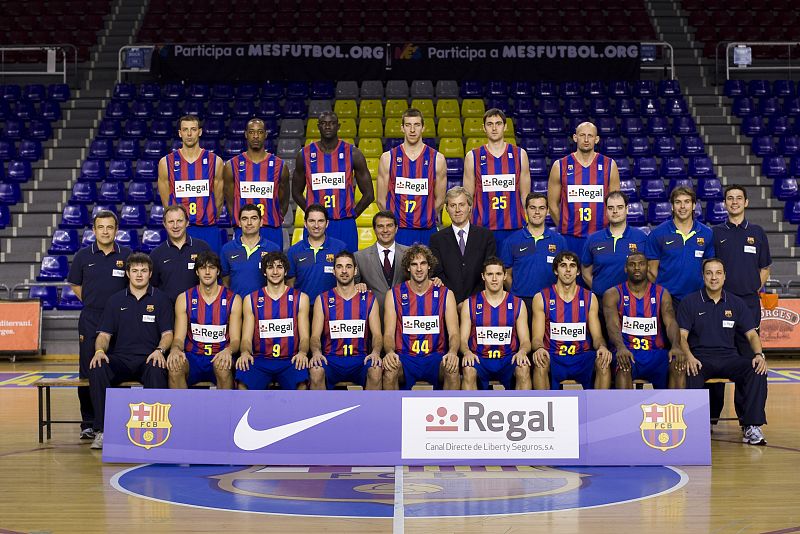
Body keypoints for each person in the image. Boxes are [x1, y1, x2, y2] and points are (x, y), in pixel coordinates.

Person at [679, 258, 769, 445]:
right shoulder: (690, 302)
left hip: (729, 358)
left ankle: (751, 425)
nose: (714, 278)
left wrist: (759, 355)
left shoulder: (736, 303)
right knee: (689, 370)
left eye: (718, 273)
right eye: (709, 273)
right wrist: (689, 357)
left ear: (725, 276)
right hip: (701, 359)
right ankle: (694, 426)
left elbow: (752, 335)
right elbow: (682, 336)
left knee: (757, 369)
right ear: (703, 276)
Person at [87, 253, 173, 449]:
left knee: (157, 368)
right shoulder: (115, 300)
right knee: (98, 367)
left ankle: (156, 431)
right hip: (121, 360)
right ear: (127, 273)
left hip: (149, 358)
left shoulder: (161, 299)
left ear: (150, 273)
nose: (139, 275)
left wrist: (160, 350)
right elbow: (104, 335)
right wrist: (99, 351)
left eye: (143, 271)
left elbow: (168, 334)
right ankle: (102, 431)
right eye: (135, 271)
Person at [66, 210, 132, 441]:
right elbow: (75, 284)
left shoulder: (127, 254)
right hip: (91, 319)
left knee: (119, 368)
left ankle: (118, 420)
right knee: (88, 370)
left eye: (110, 227)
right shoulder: (83, 256)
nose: (105, 231)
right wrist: (92, 301)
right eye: (101, 227)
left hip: (121, 320)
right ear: (93, 230)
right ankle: (89, 422)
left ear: (116, 230)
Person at [710, 184, 772, 423]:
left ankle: (749, 422)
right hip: (718, 305)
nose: (734, 202)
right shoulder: (716, 233)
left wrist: (751, 288)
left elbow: (764, 268)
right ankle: (711, 418)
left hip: (748, 306)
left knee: (749, 361)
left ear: (746, 202)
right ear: (725, 203)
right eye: (730, 198)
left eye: (738, 198)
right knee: (715, 357)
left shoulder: (757, 232)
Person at [292, 111, 374, 252]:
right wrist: (312, 213)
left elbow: (369, 194)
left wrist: (352, 215)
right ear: (318, 126)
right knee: (314, 263)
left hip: (344, 223)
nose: (328, 126)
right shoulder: (304, 154)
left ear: (338, 126)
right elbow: (295, 192)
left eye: (332, 123)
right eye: (324, 123)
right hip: (316, 225)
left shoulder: (353, 153)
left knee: (347, 264)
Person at [530, 251, 612, 390]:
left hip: (582, 357)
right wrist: (539, 348)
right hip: (554, 356)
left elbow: (597, 337)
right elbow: (537, 339)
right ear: (556, 270)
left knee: (603, 361)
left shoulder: (589, 298)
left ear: (578, 271)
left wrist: (602, 347)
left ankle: (600, 404)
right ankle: (545, 403)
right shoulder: (541, 298)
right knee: (540, 361)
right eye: (563, 265)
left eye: (572, 266)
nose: (568, 270)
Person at [382, 245, 460, 390]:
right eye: (414, 264)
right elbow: (388, 334)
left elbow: (454, 333)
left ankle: (448, 406)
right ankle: (391, 406)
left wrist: (453, 352)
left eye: (423, 263)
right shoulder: (393, 294)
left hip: (435, 357)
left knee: (452, 369)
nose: (419, 269)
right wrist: (390, 352)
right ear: (408, 268)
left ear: (429, 266)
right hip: (405, 357)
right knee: (389, 370)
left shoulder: (446, 294)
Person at [603, 252, 685, 389]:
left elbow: (670, 322)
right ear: (625, 269)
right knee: (623, 364)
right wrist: (620, 347)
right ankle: (625, 404)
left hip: (655, 353)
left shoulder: (661, 293)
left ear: (648, 267)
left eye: (641, 264)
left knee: (678, 363)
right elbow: (612, 325)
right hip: (628, 351)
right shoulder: (613, 294)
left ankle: (674, 404)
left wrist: (676, 346)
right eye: (632, 264)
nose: (637, 268)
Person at [309, 251, 383, 390]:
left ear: (355, 270)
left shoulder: (368, 299)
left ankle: (371, 406)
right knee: (316, 369)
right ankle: (321, 406)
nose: (344, 271)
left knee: (376, 369)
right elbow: (315, 337)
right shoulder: (322, 299)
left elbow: (377, 335)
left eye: (348, 266)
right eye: (339, 267)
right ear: (334, 271)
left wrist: (376, 352)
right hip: (331, 359)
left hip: (360, 359)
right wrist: (316, 352)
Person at [236, 252, 310, 390]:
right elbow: (246, 339)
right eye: (270, 267)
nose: (275, 272)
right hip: (260, 359)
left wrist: (303, 352)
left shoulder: (301, 298)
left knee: (302, 384)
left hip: (290, 359)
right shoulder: (250, 299)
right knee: (242, 382)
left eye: (279, 267)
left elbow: (305, 338)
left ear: (286, 271)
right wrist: (245, 352)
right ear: (264, 272)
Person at [168, 251, 241, 389]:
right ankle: (181, 404)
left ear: (218, 271)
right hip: (193, 357)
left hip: (220, 355)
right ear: (197, 272)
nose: (207, 272)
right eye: (202, 268)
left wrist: (228, 351)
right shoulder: (184, 298)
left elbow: (236, 340)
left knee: (223, 366)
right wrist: (176, 349)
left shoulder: (233, 299)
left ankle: (225, 405)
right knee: (175, 366)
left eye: (212, 268)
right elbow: (178, 338)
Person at [463, 108, 531, 253]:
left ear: (505, 127)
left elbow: (525, 196)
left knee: (514, 267)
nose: (494, 128)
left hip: (515, 227)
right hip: (483, 228)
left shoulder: (520, 154)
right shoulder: (472, 156)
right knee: (484, 267)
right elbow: (468, 198)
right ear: (484, 128)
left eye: (498, 123)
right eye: (490, 124)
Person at [547, 121, 620, 254]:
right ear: (575, 137)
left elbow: (615, 203)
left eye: (590, 136)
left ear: (596, 139)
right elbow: (552, 204)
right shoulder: (560, 165)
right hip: (569, 236)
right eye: (582, 135)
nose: (586, 140)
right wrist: (564, 226)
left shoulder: (609, 165)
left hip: (601, 235)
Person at [377, 108, 447, 246]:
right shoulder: (388, 158)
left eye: (417, 125)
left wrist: (424, 218)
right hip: (398, 231)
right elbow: (380, 200)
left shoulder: (437, 159)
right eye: (408, 125)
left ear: (423, 128)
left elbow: (440, 200)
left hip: (426, 230)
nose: (412, 130)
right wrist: (393, 223)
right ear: (402, 128)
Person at [157, 115, 225, 255]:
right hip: (180, 230)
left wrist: (208, 217)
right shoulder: (166, 162)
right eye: (185, 130)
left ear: (199, 132)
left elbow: (219, 200)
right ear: (179, 133)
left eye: (193, 129)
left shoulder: (215, 161)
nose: (189, 134)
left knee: (211, 267)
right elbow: (167, 203)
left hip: (208, 228)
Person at [460, 257, 532, 390]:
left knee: (524, 367)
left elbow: (526, 341)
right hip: (480, 359)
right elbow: (463, 340)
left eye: (498, 274)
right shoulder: (469, 303)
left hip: (508, 359)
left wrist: (522, 351)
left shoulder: (518, 303)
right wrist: (467, 352)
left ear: (505, 276)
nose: (494, 279)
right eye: (490, 274)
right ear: (483, 276)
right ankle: (471, 404)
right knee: (468, 368)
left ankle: (522, 404)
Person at [224, 117, 290, 248]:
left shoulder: (279, 166)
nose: (255, 136)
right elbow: (230, 201)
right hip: (244, 230)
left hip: (271, 229)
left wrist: (274, 217)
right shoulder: (232, 165)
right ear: (246, 134)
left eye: (259, 132)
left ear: (265, 134)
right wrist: (239, 221)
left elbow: (284, 202)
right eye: (251, 132)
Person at [500, 193, 568, 315]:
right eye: (532, 208)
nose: (537, 212)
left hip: (550, 301)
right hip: (521, 302)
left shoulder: (559, 241)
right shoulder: (511, 241)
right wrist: (517, 295)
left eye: (541, 208)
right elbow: (506, 274)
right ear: (526, 210)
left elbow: (565, 273)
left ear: (547, 211)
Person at [646, 187, 715, 304]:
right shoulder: (658, 234)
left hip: (698, 298)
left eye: (687, 202)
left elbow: (708, 268)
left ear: (694, 205)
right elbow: (651, 271)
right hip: (667, 300)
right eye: (678, 202)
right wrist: (663, 295)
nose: (682, 206)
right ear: (672, 206)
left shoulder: (706, 233)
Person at [429, 186, 496, 304]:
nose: (457, 210)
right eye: (453, 205)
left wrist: (469, 303)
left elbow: (488, 271)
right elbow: (438, 274)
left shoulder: (486, 237)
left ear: (469, 207)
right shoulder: (436, 239)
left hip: (479, 302)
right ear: (446, 209)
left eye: (461, 205)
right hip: (448, 303)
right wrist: (454, 301)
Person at [581, 191, 648, 299]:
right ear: (606, 211)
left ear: (627, 209)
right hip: (600, 300)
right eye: (610, 208)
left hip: (632, 301)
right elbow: (585, 272)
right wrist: (599, 290)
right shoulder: (593, 239)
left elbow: (649, 270)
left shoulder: (641, 238)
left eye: (619, 207)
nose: (615, 211)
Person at [286, 203, 348, 305]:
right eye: (312, 221)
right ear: (305, 223)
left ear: (327, 223)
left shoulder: (340, 248)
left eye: (320, 221)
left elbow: (347, 278)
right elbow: (290, 283)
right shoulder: (294, 250)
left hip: (333, 306)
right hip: (303, 308)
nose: (316, 226)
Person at [353, 210, 409, 318]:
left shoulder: (409, 253)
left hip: (404, 315)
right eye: (380, 226)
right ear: (374, 229)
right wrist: (356, 286)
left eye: (389, 225)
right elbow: (351, 288)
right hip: (373, 317)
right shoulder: (359, 257)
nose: (385, 230)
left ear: (396, 228)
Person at [150, 205, 210, 302]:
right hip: (168, 308)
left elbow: (212, 279)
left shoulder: (202, 248)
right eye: (171, 222)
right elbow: (153, 286)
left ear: (187, 222)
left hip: (197, 307)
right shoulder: (156, 254)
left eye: (179, 221)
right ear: (164, 224)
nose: (175, 226)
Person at [220, 203, 280, 297]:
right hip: (237, 304)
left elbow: (279, 280)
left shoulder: (273, 249)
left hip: (264, 304)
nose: (249, 223)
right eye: (244, 219)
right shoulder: (227, 249)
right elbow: (225, 280)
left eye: (254, 218)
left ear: (261, 222)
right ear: (239, 223)